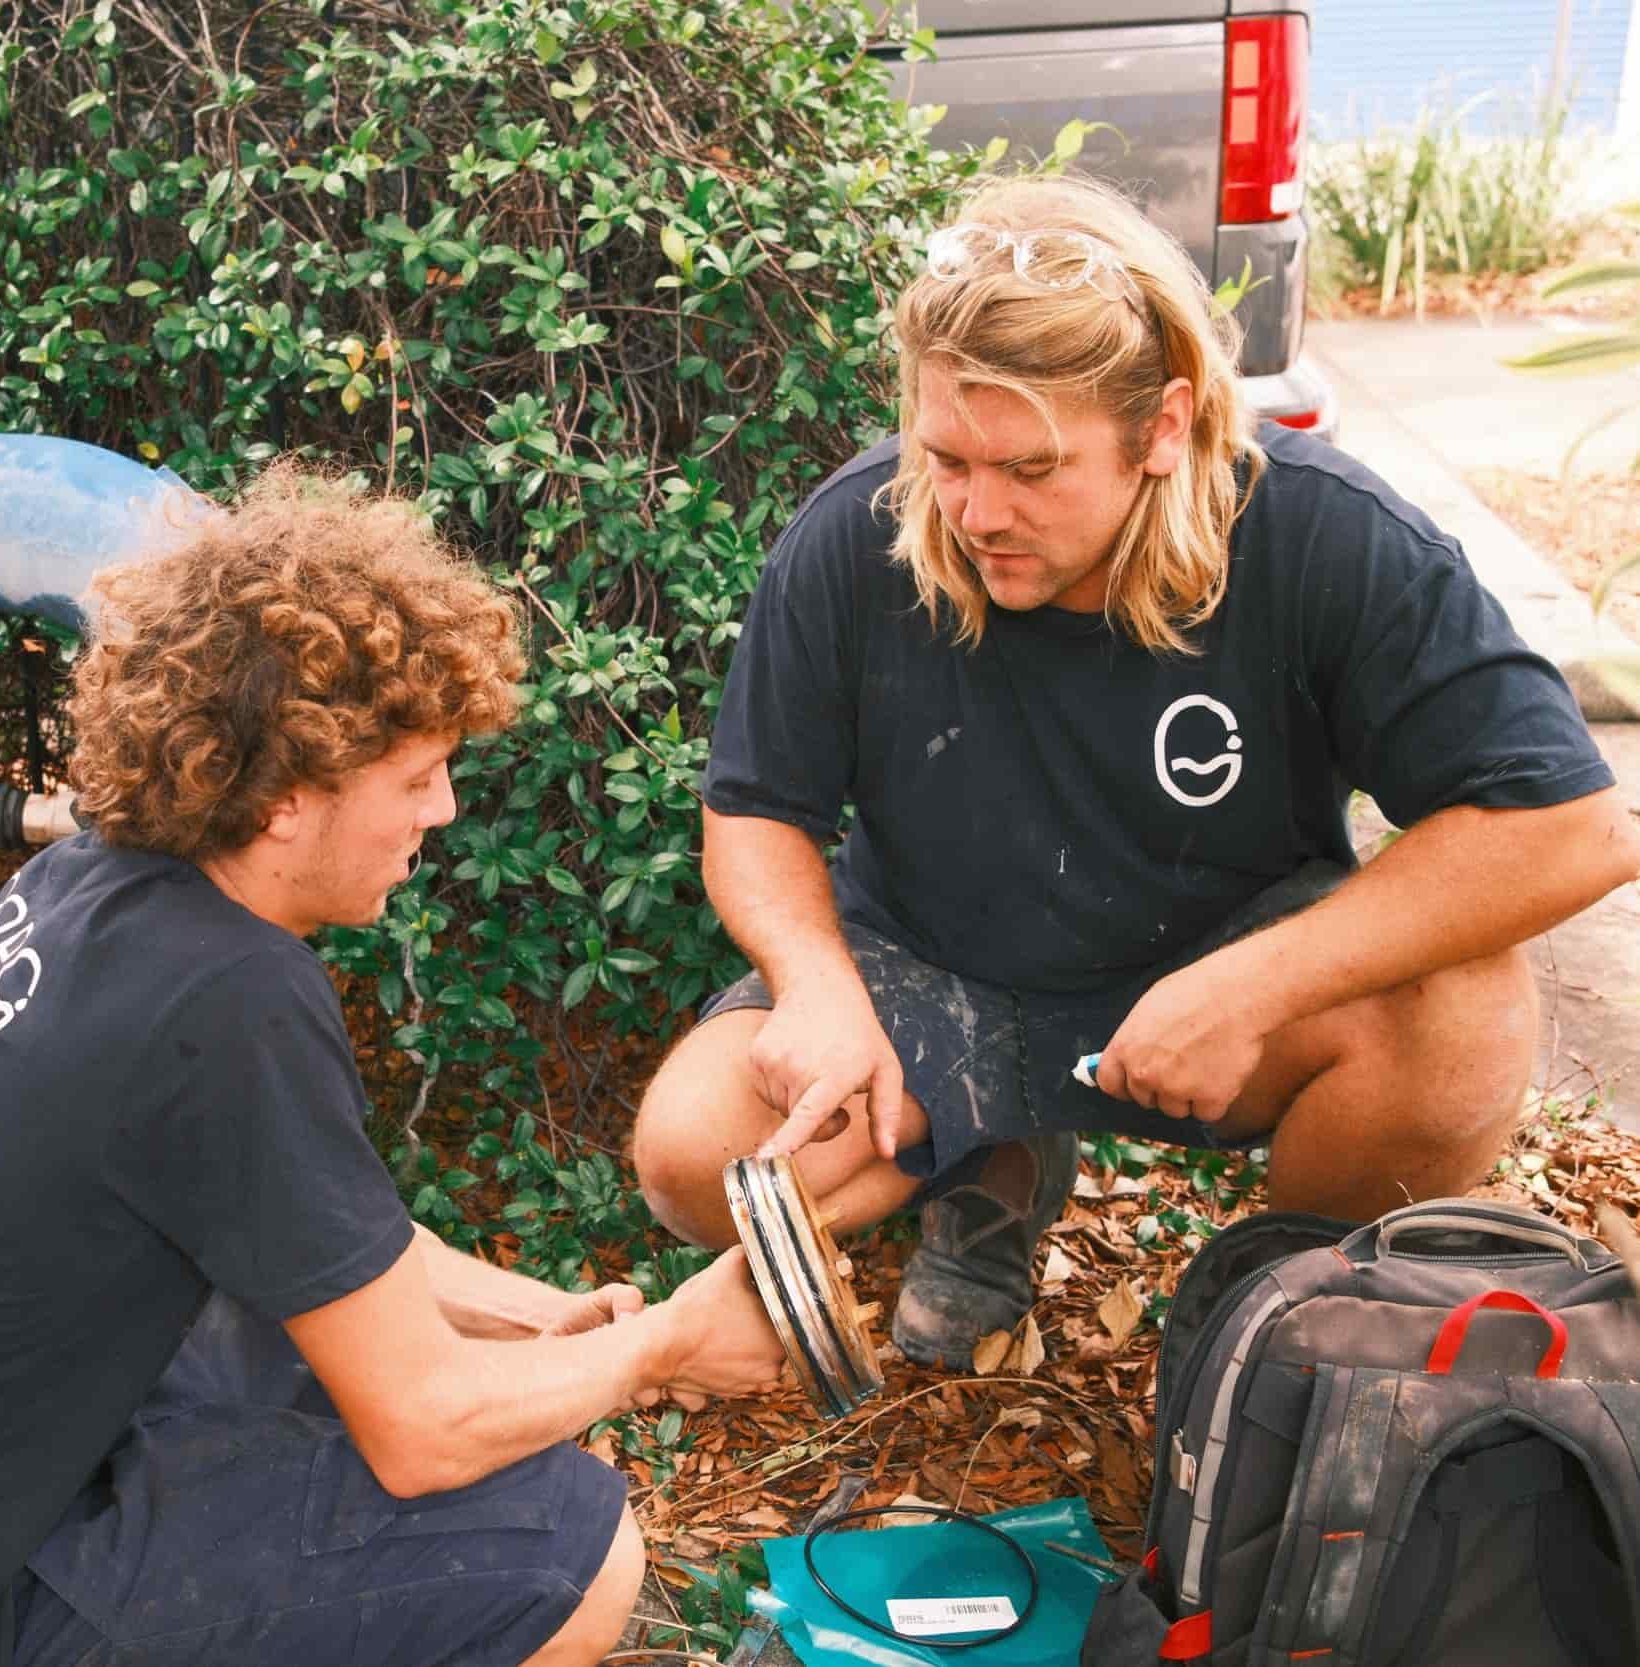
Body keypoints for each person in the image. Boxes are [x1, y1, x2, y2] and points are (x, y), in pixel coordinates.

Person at [0, 471, 790, 1667]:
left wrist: (545, 1321)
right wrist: (657, 1349)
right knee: (574, 1553)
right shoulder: (225, 994)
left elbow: (324, 1236)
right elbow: (424, 1429)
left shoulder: (101, 889)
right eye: (412, 779)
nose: (440, 810)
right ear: (287, 799)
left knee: (356, 1369)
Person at [632, 175, 1640, 1370]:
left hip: (1215, 963)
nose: (972, 511)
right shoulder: (861, 529)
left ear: (1163, 427)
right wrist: (814, 987)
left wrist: (1250, 986)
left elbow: (1570, 826)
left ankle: (1267, 1304)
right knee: (693, 1157)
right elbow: (752, 811)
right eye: (945, 455)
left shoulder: (1325, 535)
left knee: (1465, 1016)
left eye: (1031, 469)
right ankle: (991, 1165)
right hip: (930, 966)